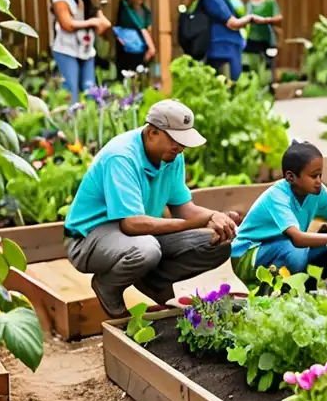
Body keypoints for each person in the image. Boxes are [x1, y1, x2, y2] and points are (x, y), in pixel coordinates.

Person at [63, 100, 241, 319]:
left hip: (140, 235)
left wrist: (216, 217)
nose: (180, 147)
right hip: (88, 239)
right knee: (146, 250)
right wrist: (194, 223)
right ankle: (107, 285)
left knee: (219, 243)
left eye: (183, 141)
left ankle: (153, 283)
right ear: (152, 132)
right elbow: (131, 224)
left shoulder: (173, 156)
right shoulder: (122, 157)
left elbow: (184, 209)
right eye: (175, 140)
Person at [231, 141, 327, 282]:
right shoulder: (278, 196)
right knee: (294, 250)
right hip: (246, 256)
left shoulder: (318, 193)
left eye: (320, 175)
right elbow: (298, 239)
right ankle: (275, 290)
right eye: (313, 176)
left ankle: (325, 288)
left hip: (283, 249)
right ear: (290, 177)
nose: (318, 181)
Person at [51, 0, 111, 103]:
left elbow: (104, 24)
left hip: (86, 50)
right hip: (66, 50)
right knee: (71, 90)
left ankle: (90, 121)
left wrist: (99, 20)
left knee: (90, 89)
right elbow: (67, 24)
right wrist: (92, 22)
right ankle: (70, 123)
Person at [196, 0, 260, 82]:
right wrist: (251, 18)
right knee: (230, 83)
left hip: (223, 47)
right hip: (224, 48)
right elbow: (232, 23)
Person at [114, 0, 156, 76]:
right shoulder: (124, 8)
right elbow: (141, 27)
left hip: (142, 50)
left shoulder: (145, 10)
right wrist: (151, 48)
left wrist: (149, 48)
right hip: (127, 51)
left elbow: (147, 28)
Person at [244, 0, 283, 80]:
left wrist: (266, 20)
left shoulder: (269, 2)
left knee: (268, 64)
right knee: (252, 64)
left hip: (268, 38)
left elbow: (279, 17)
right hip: (252, 39)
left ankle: (270, 86)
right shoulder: (248, 4)